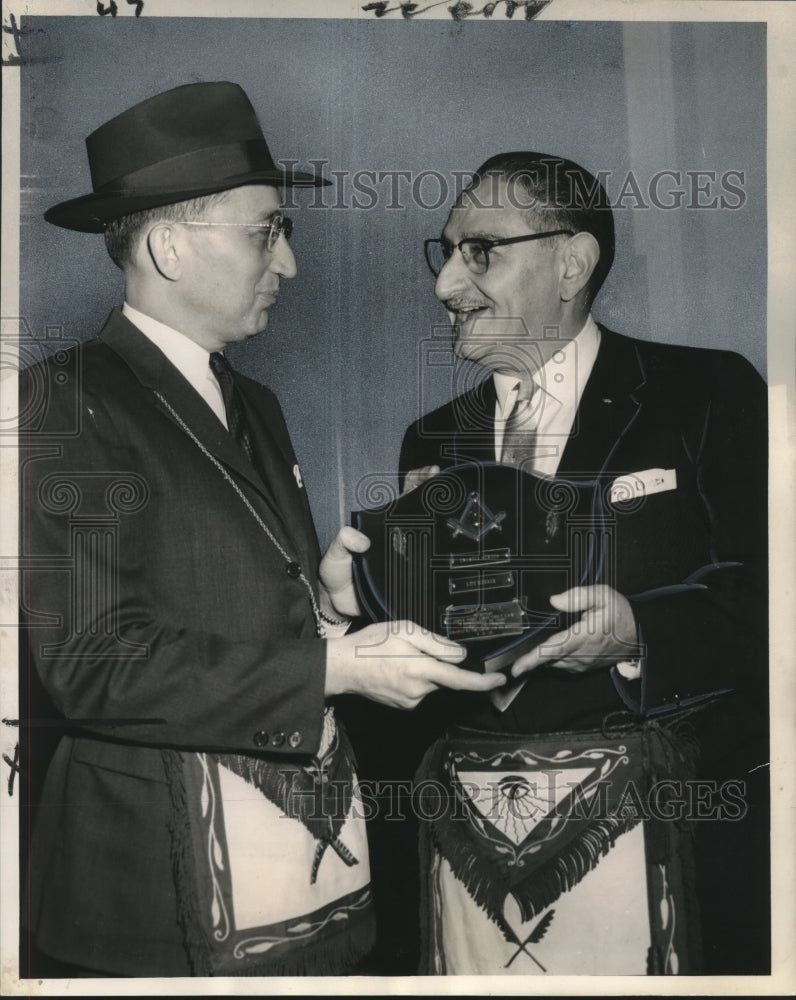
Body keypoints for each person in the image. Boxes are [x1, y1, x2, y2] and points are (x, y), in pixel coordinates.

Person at [17, 81, 506, 979]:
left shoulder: (256, 402)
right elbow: (92, 661)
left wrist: (324, 606)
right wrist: (334, 666)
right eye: (266, 232)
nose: (289, 265)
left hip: (287, 877)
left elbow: (218, 599)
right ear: (167, 245)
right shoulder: (60, 402)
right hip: (148, 898)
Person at [392, 152, 769, 975]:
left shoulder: (705, 392)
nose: (446, 283)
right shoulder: (429, 441)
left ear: (572, 262)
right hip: (473, 862)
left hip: (674, 847)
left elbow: (771, 601)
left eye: (480, 250)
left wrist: (638, 632)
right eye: (446, 251)